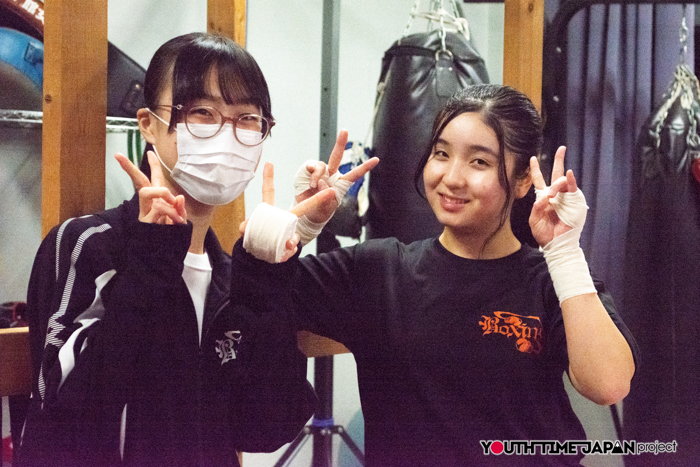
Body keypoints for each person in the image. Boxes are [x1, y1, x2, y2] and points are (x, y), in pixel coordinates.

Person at [18, 32, 373, 467]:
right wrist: (150, 265)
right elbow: (64, 419)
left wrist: (268, 273)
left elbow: (265, 428)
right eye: (203, 112)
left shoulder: (230, 274)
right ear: (148, 123)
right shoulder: (90, 244)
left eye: (247, 118)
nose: (227, 133)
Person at [238, 84, 639, 466]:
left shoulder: (550, 280)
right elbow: (249, 300)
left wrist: (564, 253)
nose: (451, 178)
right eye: (441, 154)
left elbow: (608, 384)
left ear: (522, 181)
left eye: (479, 161)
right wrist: (294, 229)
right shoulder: (377, 271)